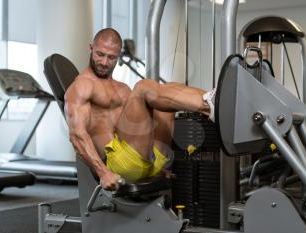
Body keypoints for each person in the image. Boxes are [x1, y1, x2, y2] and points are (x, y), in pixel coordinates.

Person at [64, 28, 215, 190]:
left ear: (118, 56)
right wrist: (103, 173)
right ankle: (209, 106)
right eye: (100, 54)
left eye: (111, 57)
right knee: (143, 87)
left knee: (167, 93)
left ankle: (212, 102)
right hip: (121, 164)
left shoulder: (121, 88)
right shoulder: (82, 85)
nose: (104, 62)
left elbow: (142, 124)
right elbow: (77, 135)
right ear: (91, 48)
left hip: (153, 160)